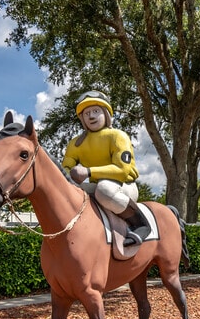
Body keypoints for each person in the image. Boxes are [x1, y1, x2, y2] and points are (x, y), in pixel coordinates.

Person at [62, 90, 150, 246]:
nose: (91, 116)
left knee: (105, 190)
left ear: (106, 114)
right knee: (69, 193)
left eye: (96, 111)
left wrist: (88, 172)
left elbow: (122, 171)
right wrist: (70, 176)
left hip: (123, 186)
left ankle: (141, 224)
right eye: (86, 113)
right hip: (96, 186)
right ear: (82, 118)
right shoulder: (75, 143)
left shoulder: (118, 136)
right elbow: (65, 170)